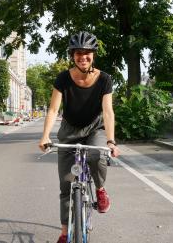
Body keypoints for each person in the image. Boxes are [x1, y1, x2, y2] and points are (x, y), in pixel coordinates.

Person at [38, 31, 120, 243]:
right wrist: (45, 136)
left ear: (93, 55)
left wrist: (111, 141)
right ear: (72, 55)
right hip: (69, 130)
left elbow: (108, 112)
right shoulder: (63, 78)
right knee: (66, 184)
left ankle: (100, 190)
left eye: (87, 53)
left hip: (94, 129)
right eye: (78, 53)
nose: (83, 57)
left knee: (96, 157)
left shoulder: (104, 79)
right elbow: (53, 110)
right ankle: (65, 233)